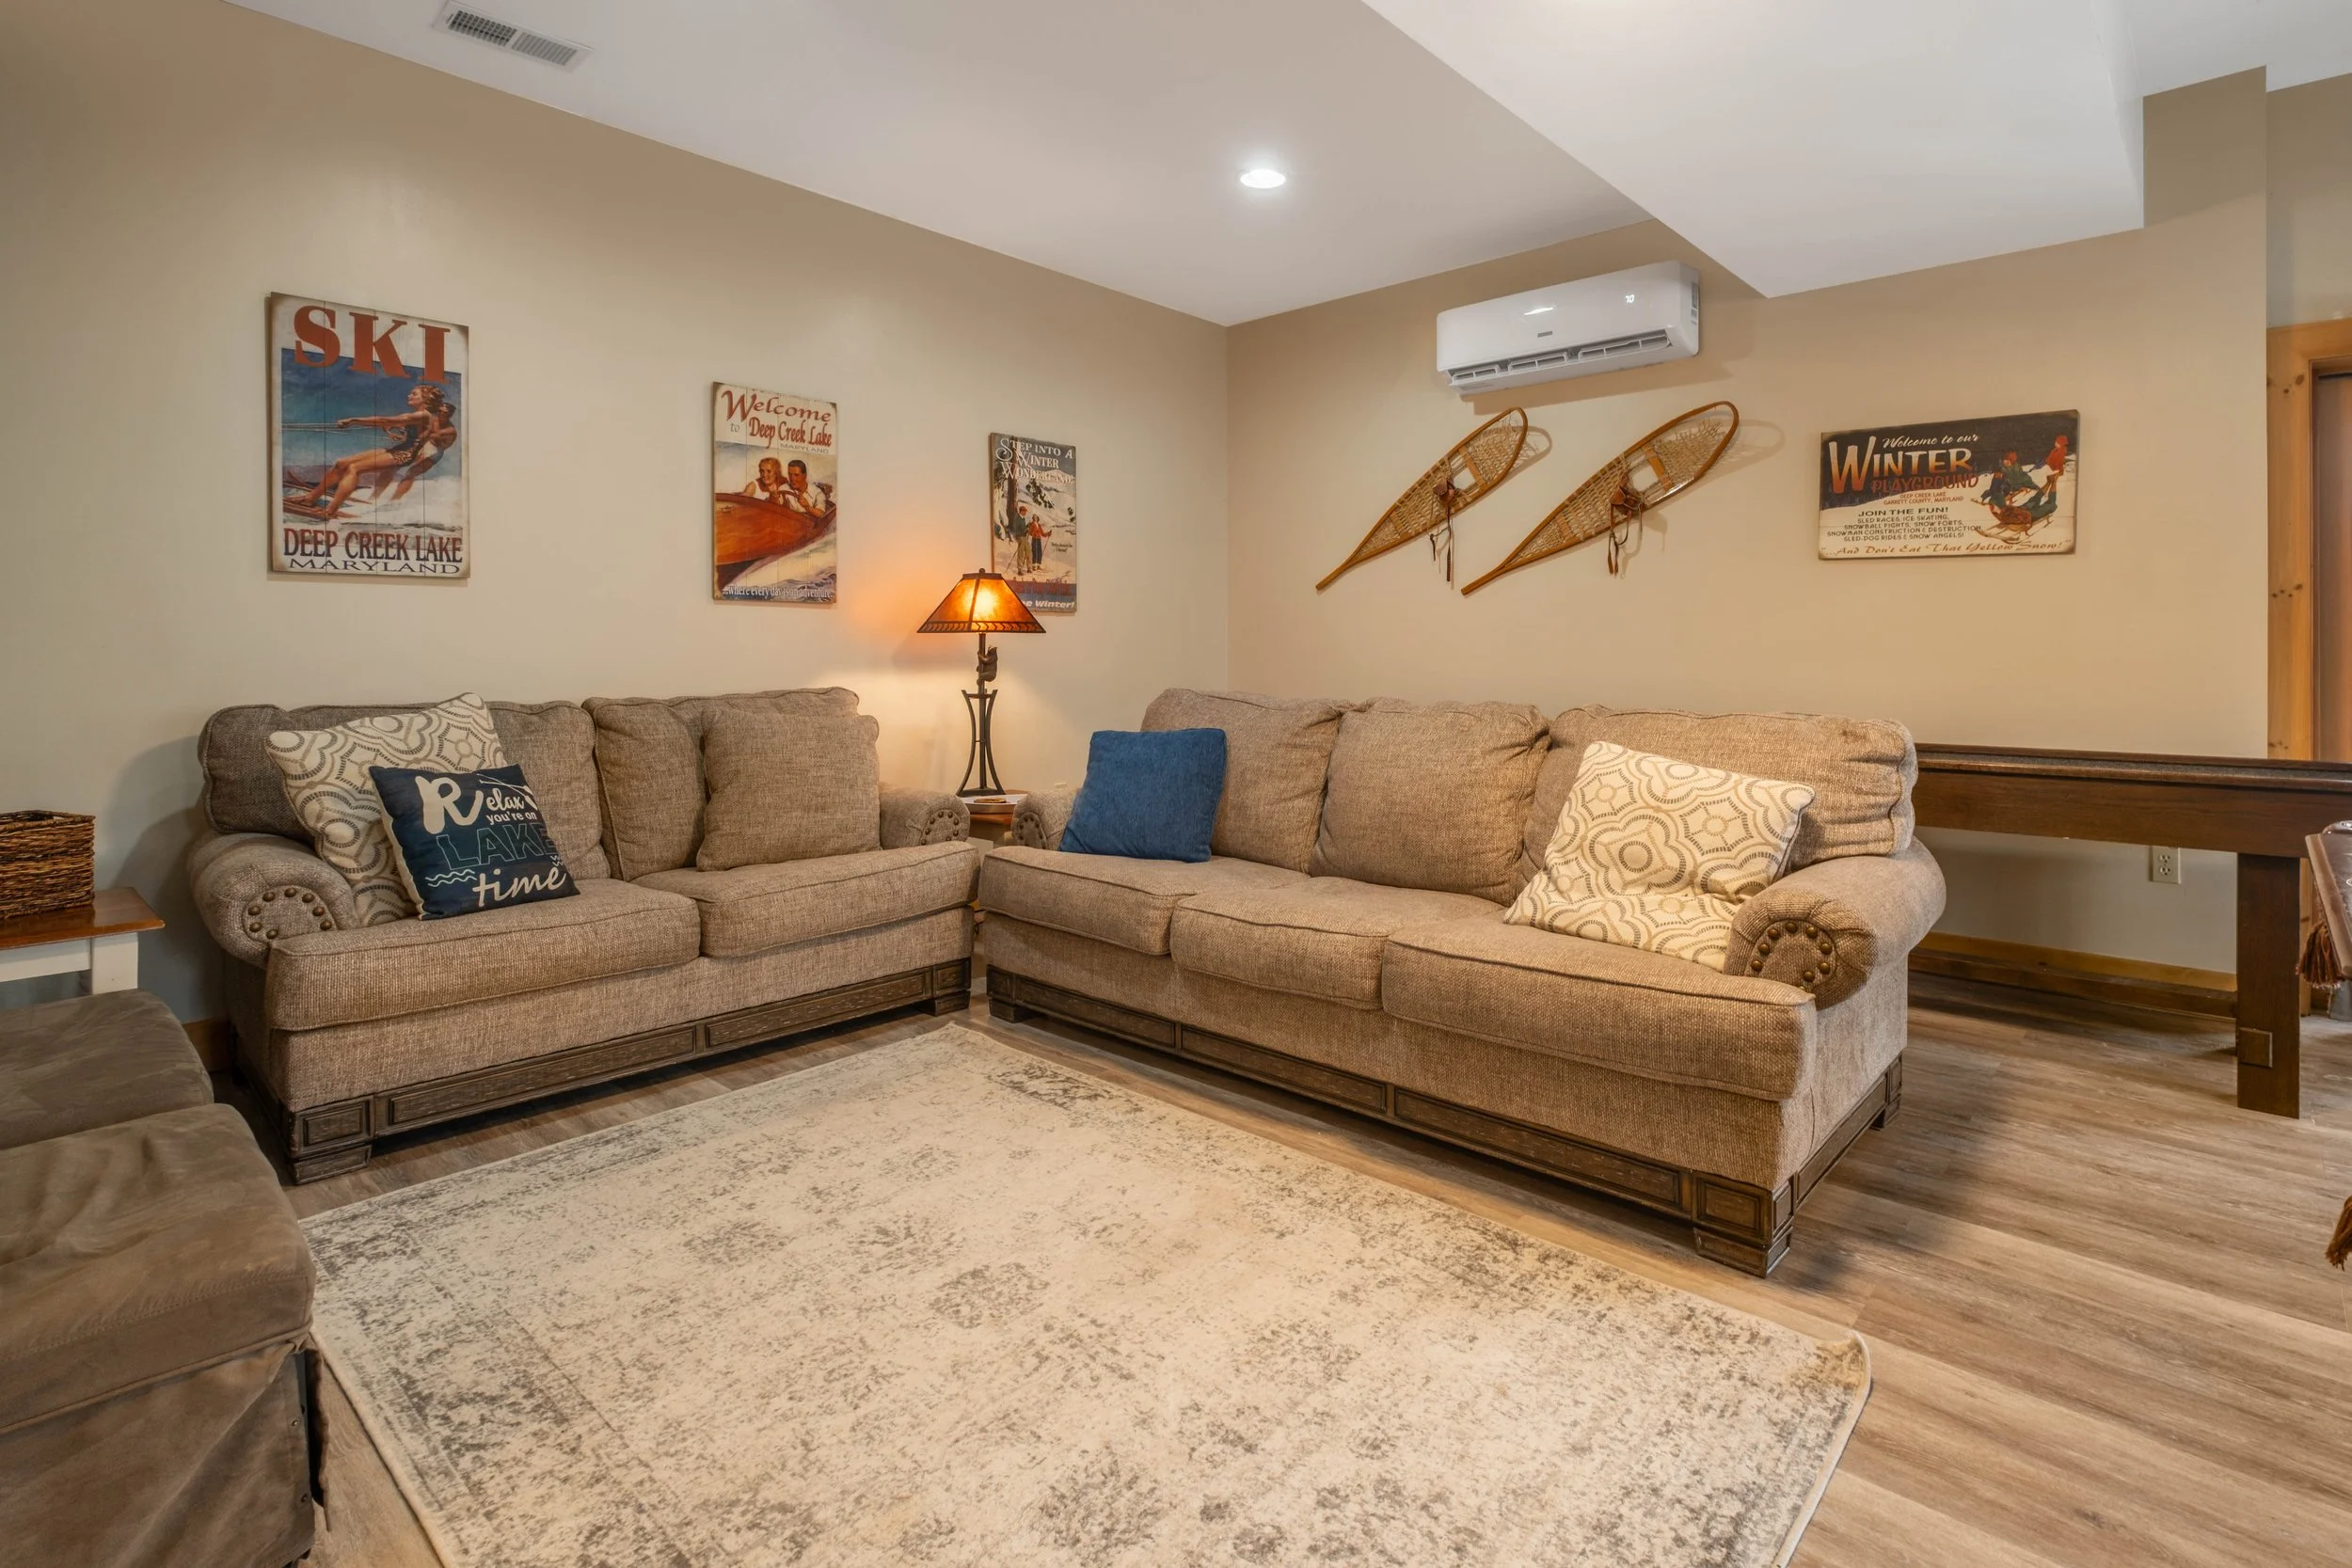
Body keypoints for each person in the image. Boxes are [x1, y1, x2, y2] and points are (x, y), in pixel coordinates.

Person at [299, 382, 455, 520]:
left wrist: (353, 420)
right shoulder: (419, 415)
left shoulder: (422, 415)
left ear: (426, 399)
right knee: (342, 463)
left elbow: (385, 420)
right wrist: (395, 431)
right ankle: (311, 498)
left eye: (414, 394)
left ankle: (331, 511)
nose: (409, 395)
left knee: (354, 468)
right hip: (398, 449)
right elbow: (403, 426)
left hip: (403, 455)